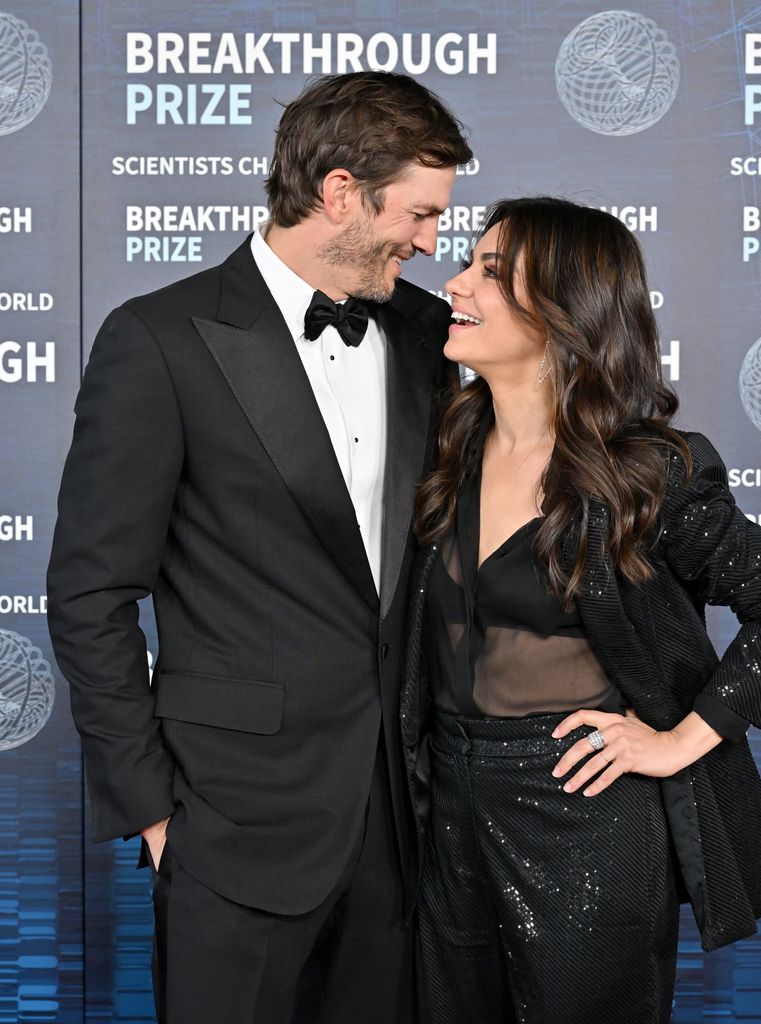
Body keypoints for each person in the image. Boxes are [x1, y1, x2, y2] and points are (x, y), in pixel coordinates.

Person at [47, 71, 471, 1024]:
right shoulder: (159, 339)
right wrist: (156, 816)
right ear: (337, 193)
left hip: (403, 825)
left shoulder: (425, 333)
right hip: (230, 827)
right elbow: (88, 594)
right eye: (418, 212)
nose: (432, 241)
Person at [402, 196, 761, 1024]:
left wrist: (677, 742)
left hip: (584, 817)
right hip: (443, 811)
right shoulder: (447, 442)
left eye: (488, 270)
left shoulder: (646, 474)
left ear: (561, 308)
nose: (453, 282)